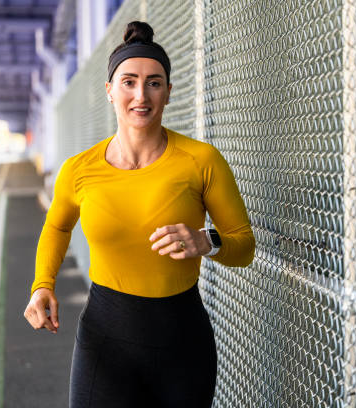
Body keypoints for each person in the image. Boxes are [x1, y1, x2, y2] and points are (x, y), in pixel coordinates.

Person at [23, 21, 255, 408]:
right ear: (110, 91)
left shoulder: (202, 161)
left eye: (154, 82)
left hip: (183, 345)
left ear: (168, 92)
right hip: (104, 341)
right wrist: (42, 284)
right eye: (128, 82)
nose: (141, 95)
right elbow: (58, 225)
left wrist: (207, 241)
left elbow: (244, 245)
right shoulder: (79, 169)